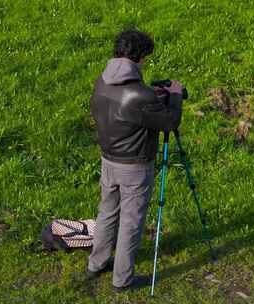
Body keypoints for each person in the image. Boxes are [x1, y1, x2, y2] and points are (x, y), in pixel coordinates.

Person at [87, 29, 184, 293]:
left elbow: (128, 106)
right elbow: (169, 122)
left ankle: (97, 263)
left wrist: (152, 94)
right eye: (145, 58)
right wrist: (174, 95)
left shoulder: (101, 81)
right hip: (135, 168)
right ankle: (122, 280)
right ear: (139, 57)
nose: (145, 63)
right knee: (131, 222)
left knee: (107, 212)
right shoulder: (140, 96)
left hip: (108, 161)